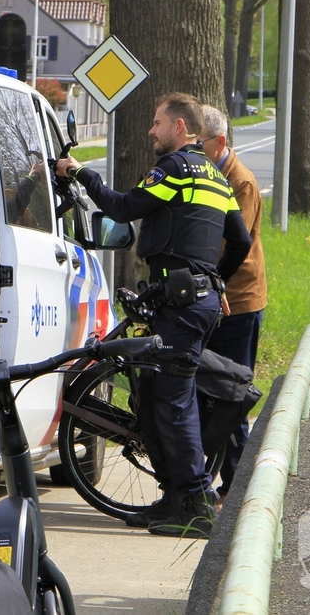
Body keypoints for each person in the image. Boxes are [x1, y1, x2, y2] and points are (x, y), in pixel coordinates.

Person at [55, 93, 252, 538]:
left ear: (180, 128)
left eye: (157, 122)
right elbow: (240, 241)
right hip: (189, 302)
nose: (151, 131)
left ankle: (198, 507)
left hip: (181, 305)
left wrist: (79, 172)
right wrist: (215, 282)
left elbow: (124, 208)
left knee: (174, 402)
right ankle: (173, 500)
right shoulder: (217, 179)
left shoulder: (177, 169)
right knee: (157, 397)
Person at [199, 105, 268, 505]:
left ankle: (239, 487)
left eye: (200, 143)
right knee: (212, 390)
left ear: (219, 143)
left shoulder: (240, 181)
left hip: (238, 302)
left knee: (232, 392)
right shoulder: (210, 175)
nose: (194, 150)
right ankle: (222, 481)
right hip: (216, 297)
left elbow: (229, 243)